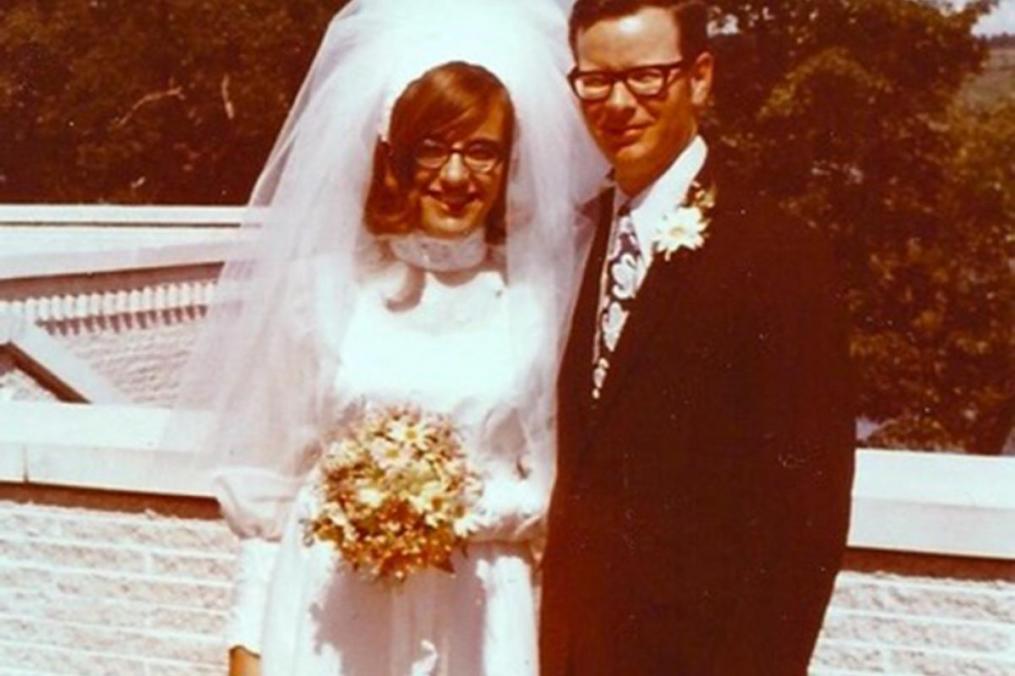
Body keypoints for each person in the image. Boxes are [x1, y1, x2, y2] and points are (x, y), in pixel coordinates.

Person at [170, 1, 601, 674]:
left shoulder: (538, 305)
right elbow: (270, 477)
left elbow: (558, 488)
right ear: (393, 153)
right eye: (432, 145)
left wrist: (453, 510)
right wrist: (246, 644)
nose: (456, 176)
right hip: (334, 612)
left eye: (481, 150)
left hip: (479, 613)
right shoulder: (323, 292)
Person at [539, 1, 856, 674]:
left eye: (645, 77)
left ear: (700, 78)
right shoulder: (571, 239)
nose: (617, 103)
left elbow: (805, 520)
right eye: (595, 80)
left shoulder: (777, 255)